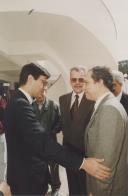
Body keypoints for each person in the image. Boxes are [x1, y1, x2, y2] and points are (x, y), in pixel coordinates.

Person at [5, 63, 111, 195]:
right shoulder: (20, 105)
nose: (45, 87)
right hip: (26, 182)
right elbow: (43, 143)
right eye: (43, 82)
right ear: (30, 79)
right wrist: (83, 163)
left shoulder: (19, 102)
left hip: (32, 176)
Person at [84, 66, 128, 196]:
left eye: (87, 82)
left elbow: (104, 165)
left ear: (100, 82)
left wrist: (96, 192)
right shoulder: (106, 105)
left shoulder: (109, 109)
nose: (83, 87)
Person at [59, 66, 94, 195]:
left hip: (85, 154)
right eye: (74, 80)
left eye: (81, 79)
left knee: (85, 189)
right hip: (68, 153)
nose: (77, 83)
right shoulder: (63, 99)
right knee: (72, 187)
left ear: (85, 80)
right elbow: (63, 124)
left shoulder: (92, 100)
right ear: (70, 81)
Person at [33, 86, 61, 196]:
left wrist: (53, 130)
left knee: (54, 166)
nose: (40, 94)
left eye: (43, 91)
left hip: (51, 142)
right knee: (39, 166)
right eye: (38, 91)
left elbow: (60, 122)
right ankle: (43, 187)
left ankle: (56, 187)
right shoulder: (30, 106)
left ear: (46, 91)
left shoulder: (54, 105)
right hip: (36, 144)